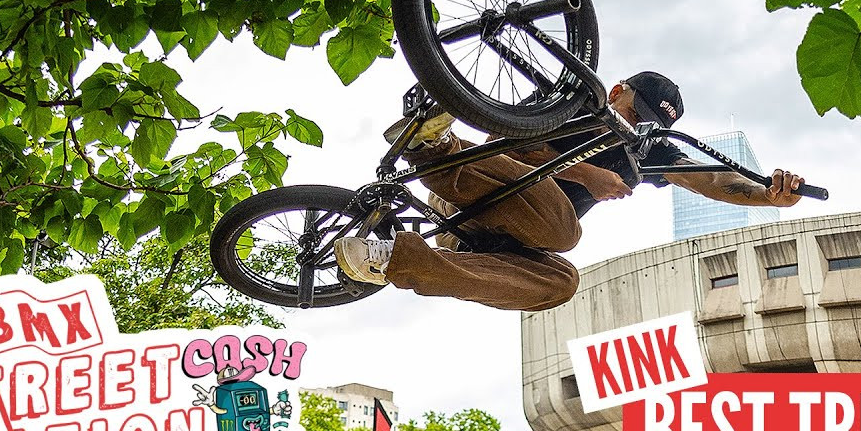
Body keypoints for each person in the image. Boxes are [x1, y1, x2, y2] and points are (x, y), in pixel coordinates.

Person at [334, 74, 806, 312]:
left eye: (647, 124)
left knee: (562, 282)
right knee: (564, 232)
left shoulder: (646, 151)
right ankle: (434, 145)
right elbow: (506, 142)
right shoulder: (573, 103)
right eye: (634, 114)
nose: (636, 127)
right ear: (617, 91)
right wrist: (586, 175)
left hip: (497, 243)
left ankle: (394, 260)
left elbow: (712, 180)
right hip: (472, 193)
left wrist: (767, 196)